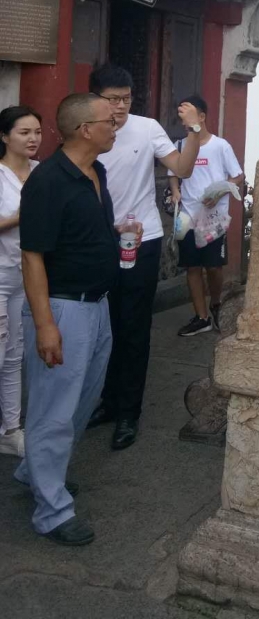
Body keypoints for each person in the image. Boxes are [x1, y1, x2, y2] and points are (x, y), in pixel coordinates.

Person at [14, 93, 120, 545]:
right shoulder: (47, 182)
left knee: (81, 403)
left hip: (97, 305)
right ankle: (52, 512)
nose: (116, 125)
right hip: (62, 309)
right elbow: (32, 257)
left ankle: (35, 472)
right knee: (53, 412)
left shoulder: (97, 172)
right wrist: (45, 325)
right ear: (85, 130)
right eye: (108, 120)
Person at [85, 63, 202, 451]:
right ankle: (107, 401)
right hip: (100, 241)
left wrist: (194, 132)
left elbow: (182, 168)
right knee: (103, 327)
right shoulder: (86, 129)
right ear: (94, 98)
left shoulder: (147, 128)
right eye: (112, 99)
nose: (120, 106)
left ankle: (128, 413)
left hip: (142, 239)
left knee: (134, 327)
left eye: (126, 99)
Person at [167, 95, 243, 337]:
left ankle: (216, 303)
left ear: (201, 117)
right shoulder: (180, 145)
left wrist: (220, 192)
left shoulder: (220, 146)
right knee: (192, 267)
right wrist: (176, 191)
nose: (183, 123)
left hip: (214, 219)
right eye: (181, 118)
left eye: (188, 116)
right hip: (188, 216)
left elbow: (237, 176)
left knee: (213, 267)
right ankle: (201, 317)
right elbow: (173, 173)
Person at [0, 106, 42, 457]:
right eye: (24, 132)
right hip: (0, 275)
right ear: (4, 136)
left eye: (37, 132)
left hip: (28, 276)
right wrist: (19, 217)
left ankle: (11, 430)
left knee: (15, 355)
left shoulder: (42, 172)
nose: (33, 139)